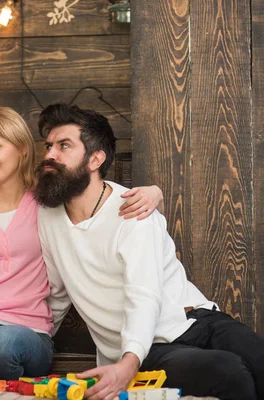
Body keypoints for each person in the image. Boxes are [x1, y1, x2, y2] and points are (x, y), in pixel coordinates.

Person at [0, 106, 163, 380]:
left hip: (26, 332)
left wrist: (155, 193)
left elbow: (94, 194)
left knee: (1, 345)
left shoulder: (49, 196)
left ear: (22, 148)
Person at [35, 103, 264, 400]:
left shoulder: (133, 209)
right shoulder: (48, 217)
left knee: (258, 358)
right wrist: (36, 342)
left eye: (64, 145)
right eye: (49, 145)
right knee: (229, 371)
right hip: (147, 349)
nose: (50, 154)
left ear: (95, 159)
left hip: (198, 319)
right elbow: (56, 293)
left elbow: (144, 293)